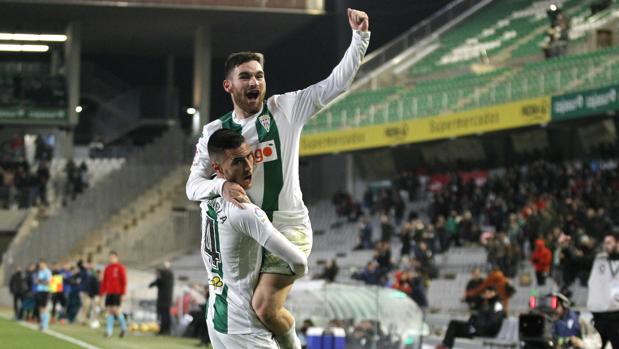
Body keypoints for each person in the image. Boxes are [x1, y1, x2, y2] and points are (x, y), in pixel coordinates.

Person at [186, 8, 370, 348]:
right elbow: (192, 187)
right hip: (248, 234)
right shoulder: (215, 133)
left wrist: (359, 38)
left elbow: (336, 84)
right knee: (250, 314)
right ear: (229, 85)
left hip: (288, 227)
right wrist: (221, 185)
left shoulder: (286, 109)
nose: (254, 82)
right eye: (245, 76)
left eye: (259, 75)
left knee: (264, 307)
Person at [201, 129, 308, 349]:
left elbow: (193, 186)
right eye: (238, 162)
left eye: (250, 156)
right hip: (244, 326)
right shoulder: (246, 212)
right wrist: (299, 272)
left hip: (216, 316)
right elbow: (298, 261)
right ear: (218, 168)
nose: (249, 166)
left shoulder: (206, 198)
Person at [435, 286, 505, 349]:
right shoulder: (486, 303)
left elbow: (493, 321)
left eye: (490, 292)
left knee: (454, 326)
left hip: (485, 331)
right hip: (476, 328)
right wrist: (472, 323)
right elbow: (476, 315)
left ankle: (445, 346)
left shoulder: (497, 305)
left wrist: (476, 328)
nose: (487, 294)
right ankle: (446, 346)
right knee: (453, 327)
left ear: (495, 293)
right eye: (486, 292)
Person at [586, 233, 619, 349]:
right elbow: (579, 261)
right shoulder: (599, 259)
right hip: (599, 316)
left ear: (617, 243)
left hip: (616, 316)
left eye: (609, 242)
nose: (606, 245)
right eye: (605, 243)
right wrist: (567, 249)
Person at [100, 251, 128, 338]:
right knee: (109, 311)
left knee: (117, 310)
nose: (111, 259)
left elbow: (124, 281)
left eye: (113, 257)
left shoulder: (120, 268)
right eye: (110, 257)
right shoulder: (107, 268)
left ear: (117, 258)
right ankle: (109, 332)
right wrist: (102, 292)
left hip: (117, 292)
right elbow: (104, 281)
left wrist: (123, 294)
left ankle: (124, 328)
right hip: (109, 292)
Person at [149, 261, 174, 335]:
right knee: (165, 314)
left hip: (164, 299)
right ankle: (166, 330)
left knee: (164, 315)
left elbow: (158, 281)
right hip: (166, 298)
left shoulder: (166, 275)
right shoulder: (169, 274)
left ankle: (164, 330)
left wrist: (151, 283)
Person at [35, 259, 52, 330]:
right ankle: (41, 323)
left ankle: (45, 325)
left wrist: (40, 281)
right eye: (39, 264)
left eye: (41, 264)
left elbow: (48, 282)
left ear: (45, 264)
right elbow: (37, 281)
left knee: (44, 307)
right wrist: (37, 281)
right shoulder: (39, 271)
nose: (40, 265)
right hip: (39, 291)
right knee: (40, 307)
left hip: (45, 291)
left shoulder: (47, 272)